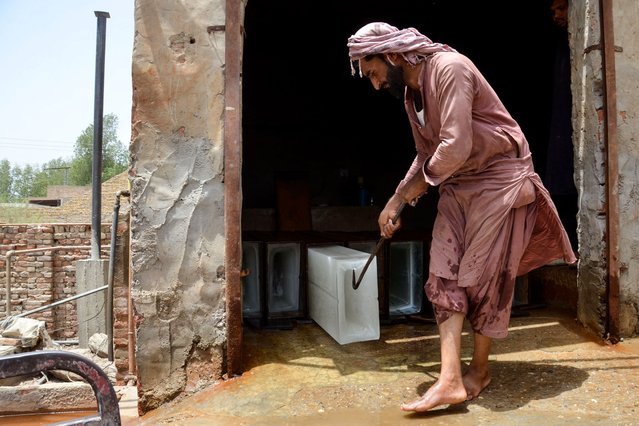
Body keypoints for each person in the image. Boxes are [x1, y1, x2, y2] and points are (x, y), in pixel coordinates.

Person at [347, 22, 577, 412]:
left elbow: (454, 146)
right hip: (457, 184)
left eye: (372, 72)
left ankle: (479, 369)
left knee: (484, 279)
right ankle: (450, 379)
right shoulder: (411, 96)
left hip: (499, 180)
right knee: (443, 272)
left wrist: (411, 192)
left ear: (390, 54)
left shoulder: (449, 68)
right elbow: (427, 155)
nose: (374, 84)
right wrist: (395, 201)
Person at [545, 0, 578, 251]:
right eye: (553, 11)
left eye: (561, 8)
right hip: (562, 127)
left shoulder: (576, 47)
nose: (556, 15)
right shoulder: (561, 49)